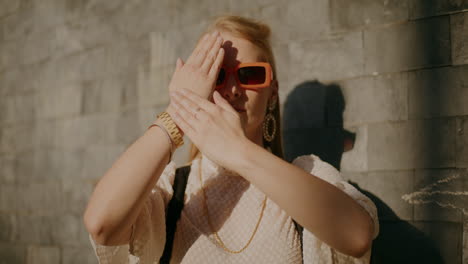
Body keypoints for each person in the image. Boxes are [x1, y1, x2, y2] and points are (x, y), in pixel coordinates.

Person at [83, 15, 379, 264]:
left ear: (272, 91)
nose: (234, 89)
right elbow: (101, 225)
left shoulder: (306, 175)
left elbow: (357, 236)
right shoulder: (173, 188)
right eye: (218, 75)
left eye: (250, 75)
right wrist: (179, 110)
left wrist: (237, 150)